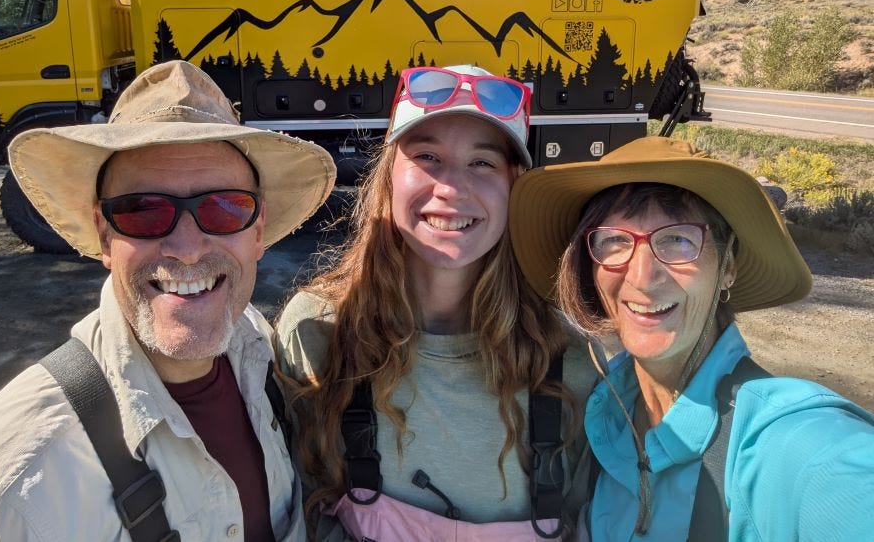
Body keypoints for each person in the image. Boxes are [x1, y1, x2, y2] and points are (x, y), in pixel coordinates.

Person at [0, 60, 336, 541]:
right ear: (103, 234)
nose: (187, 247)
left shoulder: (261, 353)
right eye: (142, 211)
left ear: (258, 229)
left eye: (224, 208)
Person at [275, 65, 596, 541]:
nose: (451, 188)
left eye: (483, 163)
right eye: (427, 156)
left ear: (515, 188)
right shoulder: (318, 333)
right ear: (388, 180)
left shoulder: (568, 359)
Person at [508, 136, 874, 541]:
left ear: (728, 266)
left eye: (678, 240)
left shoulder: (797, 447)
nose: (643, 278)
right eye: (614, 240)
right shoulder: (600, 408)